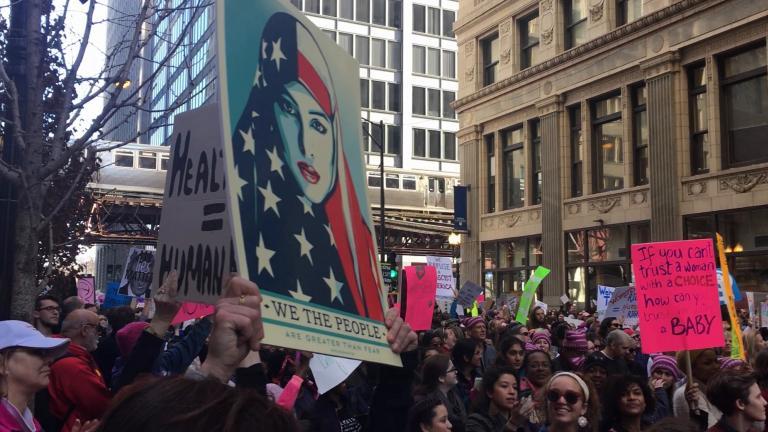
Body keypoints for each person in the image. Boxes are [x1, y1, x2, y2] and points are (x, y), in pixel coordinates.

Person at [230, 11, 385, 320]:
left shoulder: (354, 256)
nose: (305, 146)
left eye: (317, 124)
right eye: (289, 109)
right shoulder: (250, 220)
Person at [0, 321, 97, 432]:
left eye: (46, 353)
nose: (49, 360)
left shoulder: (29, 422)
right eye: (36, 352)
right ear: (2, 363)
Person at [47, 309, 111, 431]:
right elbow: (101, 405)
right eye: (97, 329)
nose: (99, 334)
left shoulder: (61, 352)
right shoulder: (73, 366)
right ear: (85, 330)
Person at [466, 367, 529, 432]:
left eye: (515, 387)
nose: (512, 392)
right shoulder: (476, 422)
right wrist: (512, 424)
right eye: (504, 386)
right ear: (490, 392)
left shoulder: (520, 419)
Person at [414, 354, 466, 432]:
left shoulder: (453, 394)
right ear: (441, 378)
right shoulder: (428, 402)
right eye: (452, 369)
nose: (456, 372)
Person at [672, 349, 722, 429]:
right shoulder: (687, 394)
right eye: (707, 363)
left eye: (716, 361)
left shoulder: (714, 388)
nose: (716, 366)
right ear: (691, 368)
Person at [644, 355, 681, 423]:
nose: (662, 377)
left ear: (673, 379)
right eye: (659, 372)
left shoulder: (676, 396)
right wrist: (659, 391)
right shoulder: (645, 394)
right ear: (652, 374)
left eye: (667, 374)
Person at [453, 339, 482, 411]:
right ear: (466, 357)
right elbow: (459, 407)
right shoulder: (454, 380)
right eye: (477, 353)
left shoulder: (477, 376)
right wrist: (473, 394)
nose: (480, 356)